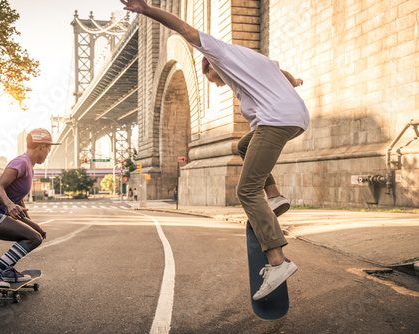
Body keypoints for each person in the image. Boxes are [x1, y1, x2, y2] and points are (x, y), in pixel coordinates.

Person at [121, 0, 309, 300]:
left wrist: (147, 10)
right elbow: (283, 73)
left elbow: (183, 28)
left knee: (246, 190)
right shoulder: (252, 59)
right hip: (294, 118)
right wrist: (294, 81)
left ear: (210, 64)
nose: (219, 87)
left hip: (276, 121)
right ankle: (273, 197)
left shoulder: (218, 52)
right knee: (244, 145)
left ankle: (278, 261)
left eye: (213, 80)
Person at [0, 128, 61, 287]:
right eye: (48, 150)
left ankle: (6, 270)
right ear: (42, 147)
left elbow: (18, 199)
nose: (48, 154)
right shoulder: (21, 162)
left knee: (34, 234)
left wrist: (33, 225)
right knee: (33, 238)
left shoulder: (28, 166)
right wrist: (9, 205)